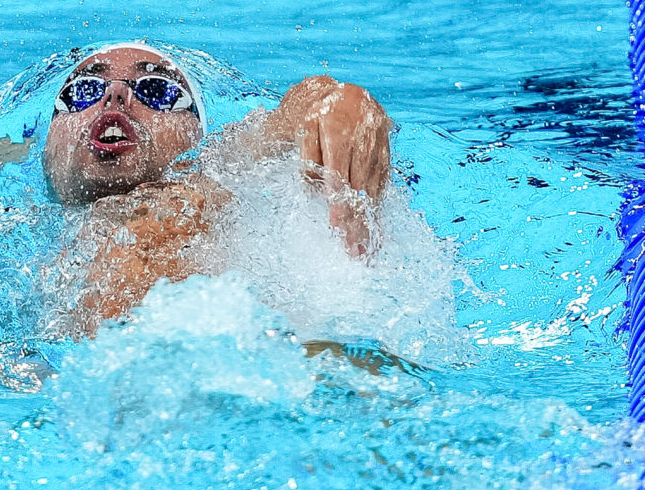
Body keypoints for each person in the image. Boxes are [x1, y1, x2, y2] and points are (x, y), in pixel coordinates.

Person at [43, 41, 394, 335]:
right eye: (82, 91)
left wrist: (345, 104)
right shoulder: (14, 231)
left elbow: (292, 116)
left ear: (198, 140)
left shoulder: (213, 178)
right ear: (46, 152)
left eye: (157, 90)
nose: (114, 95)